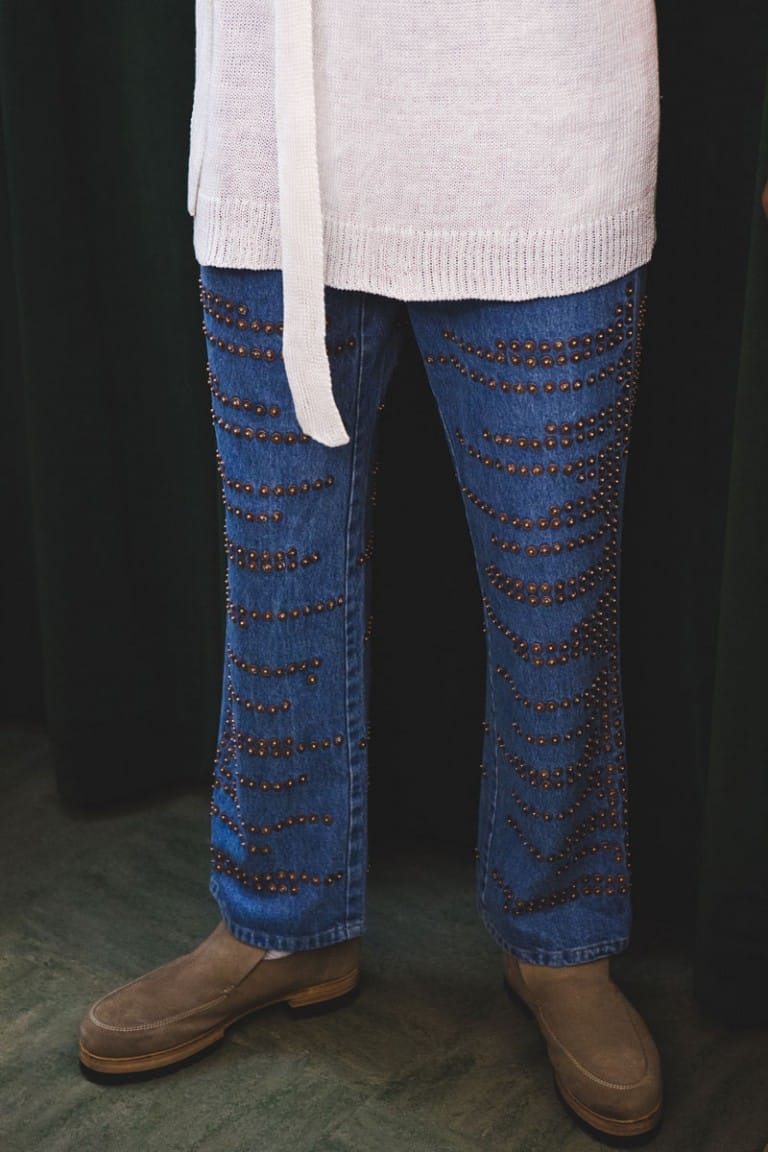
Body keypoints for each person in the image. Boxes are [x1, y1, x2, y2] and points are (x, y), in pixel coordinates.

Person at [79, 0, 663, 1139]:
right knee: (277, 574)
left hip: (539, 116)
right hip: (275, 131)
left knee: (553, 590)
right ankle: (279, 918)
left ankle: (559, 937)